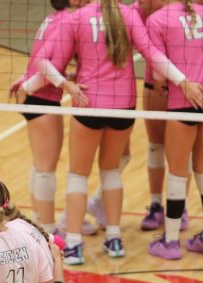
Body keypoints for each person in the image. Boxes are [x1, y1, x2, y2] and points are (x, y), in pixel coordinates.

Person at [21, 0, 203, 264]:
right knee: (111, 171)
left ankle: (72, 244)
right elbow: (152, 54)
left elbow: (44, 62)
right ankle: (115, 239)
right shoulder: (129, 15)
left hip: (89, 102)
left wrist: (33, 86)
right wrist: (181, 80)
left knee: (78, 175)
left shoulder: (78, 17)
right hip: (123, 105)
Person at [11, 0, 98, 238]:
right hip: (41, 98)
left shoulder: (54, 17)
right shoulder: (69, 21)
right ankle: (47, 232)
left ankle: (39, 221)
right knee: (45, 169)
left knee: (40, 165)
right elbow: (45, 65)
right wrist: (64, 84)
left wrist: (26, 82)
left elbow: (41, 60)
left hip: (36, 96)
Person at [147, 0, 203, 259]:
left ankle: (170, 242)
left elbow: (158, 75)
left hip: (182, 103)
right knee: (202, 171)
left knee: (178, 174)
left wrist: (171, 84)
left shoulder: (159, 19)